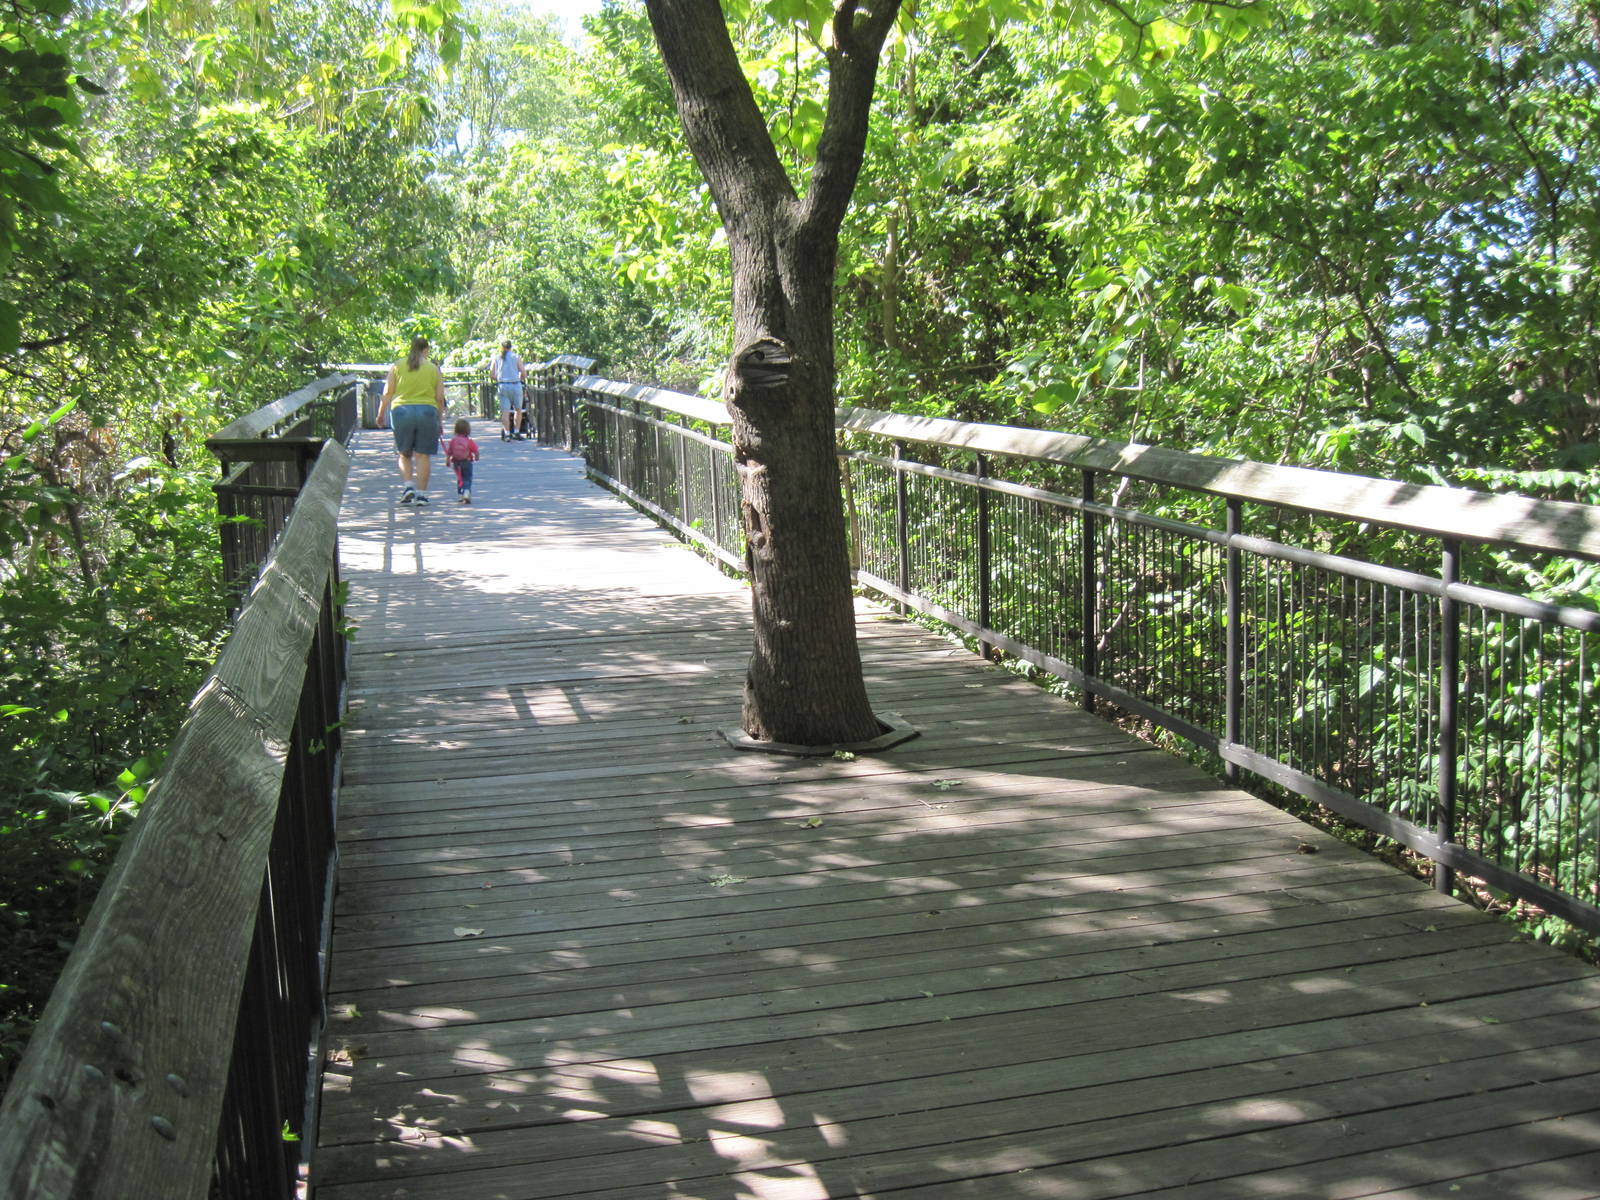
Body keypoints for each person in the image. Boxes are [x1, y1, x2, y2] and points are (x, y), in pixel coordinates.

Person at [376, 335, 445, 506]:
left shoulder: (397, 366)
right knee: (423, 455)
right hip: (427, 412)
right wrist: (440, 420)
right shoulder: (433, 369)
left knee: (404, 453)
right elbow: (439, 398)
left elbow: (387, 393)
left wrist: (380, 414)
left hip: (402, 412)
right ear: (426, 350)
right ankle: (421, 495)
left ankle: (408, 487)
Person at [489, 340, 527, 441]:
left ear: (502, 347)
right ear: (511, 347)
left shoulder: (497, 358)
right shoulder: (516, 357)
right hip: (515, 385)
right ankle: (516, 432)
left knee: (505, 411)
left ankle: (507, 434)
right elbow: (523, 372)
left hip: (503, 386)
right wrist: (520, 379)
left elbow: (492, 374)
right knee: (518, 410)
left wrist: (500, 378)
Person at [443, 418, 481, 504]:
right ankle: (466, 492)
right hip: (467, 462)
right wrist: (477, 457)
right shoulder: (469, 441)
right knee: (467, 478)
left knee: (460, 478)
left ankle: (460, 495)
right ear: (468, 430)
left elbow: (449, 452)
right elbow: (476, 451)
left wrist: (447, 460)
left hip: (456, 462)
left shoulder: (453, 441)